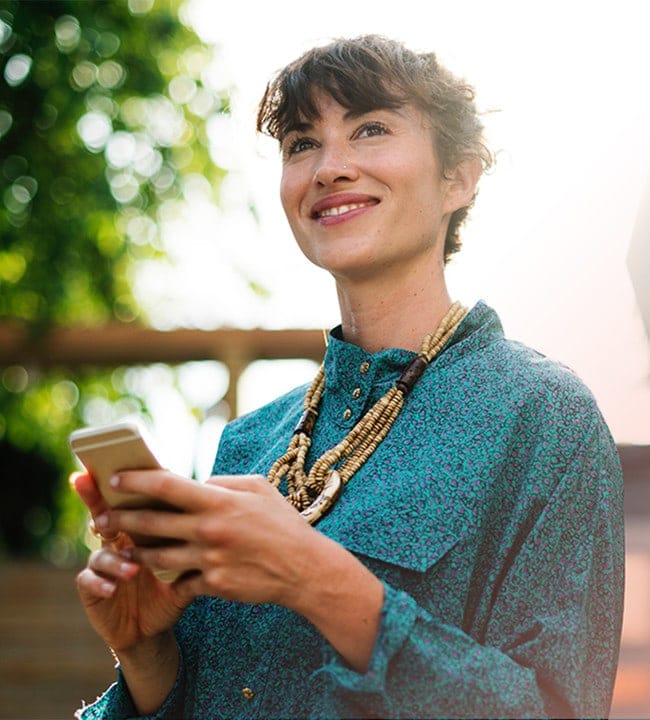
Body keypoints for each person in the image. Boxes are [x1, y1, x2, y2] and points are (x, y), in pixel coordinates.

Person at [73, 35, 625, 719]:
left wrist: (318, 579)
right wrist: (148, 657)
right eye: (302, 143)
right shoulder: (248, 445)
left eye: (369, 129)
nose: (330, 167)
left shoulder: (546, 420)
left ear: (459, 176)